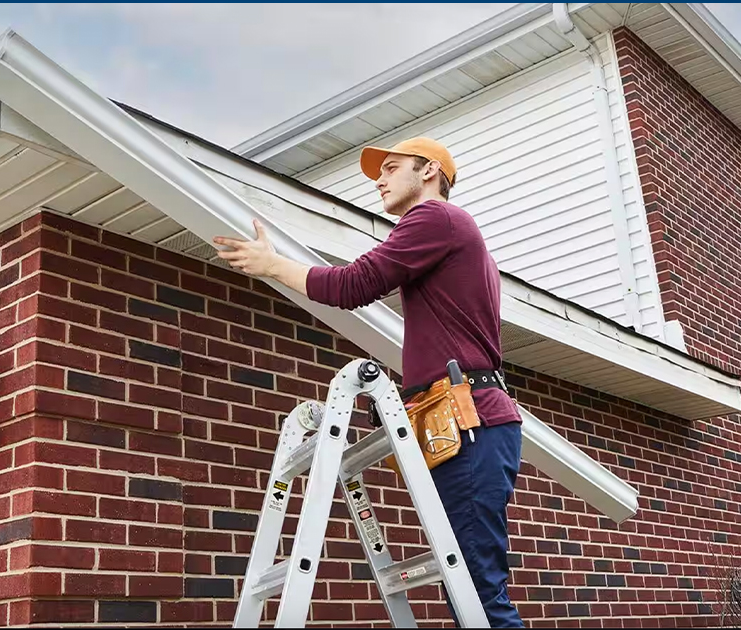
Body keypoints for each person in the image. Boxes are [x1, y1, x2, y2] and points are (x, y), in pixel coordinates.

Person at [214, 137, 525, 628]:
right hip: (460, 421)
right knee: (467, 592)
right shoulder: (441, 231)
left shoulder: (436, 217)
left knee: (479, 595)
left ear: (428, 172)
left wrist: (272, 264)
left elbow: (353, 285)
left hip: (470, 419)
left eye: (391, 167)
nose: (378, 180)